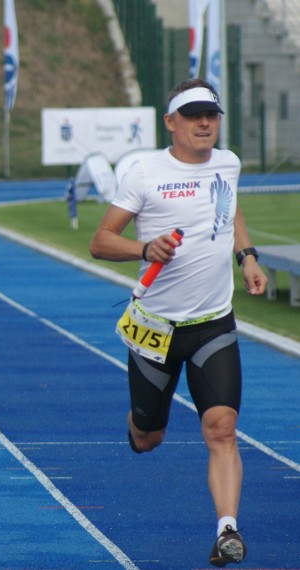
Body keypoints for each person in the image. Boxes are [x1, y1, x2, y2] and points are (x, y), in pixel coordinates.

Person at [88, 78, 267, 568]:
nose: (204, 122)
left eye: (210, 113)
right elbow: (100, 240)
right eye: (192, 115)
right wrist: (143, 248)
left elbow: (229, 210)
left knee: (222, 428)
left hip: (213, 323)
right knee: (149, 438)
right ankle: (139, 423)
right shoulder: (145, 172)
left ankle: (227, 530)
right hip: (155, 329)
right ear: (171, 122)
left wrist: (246, 257)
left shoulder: (227, 163)